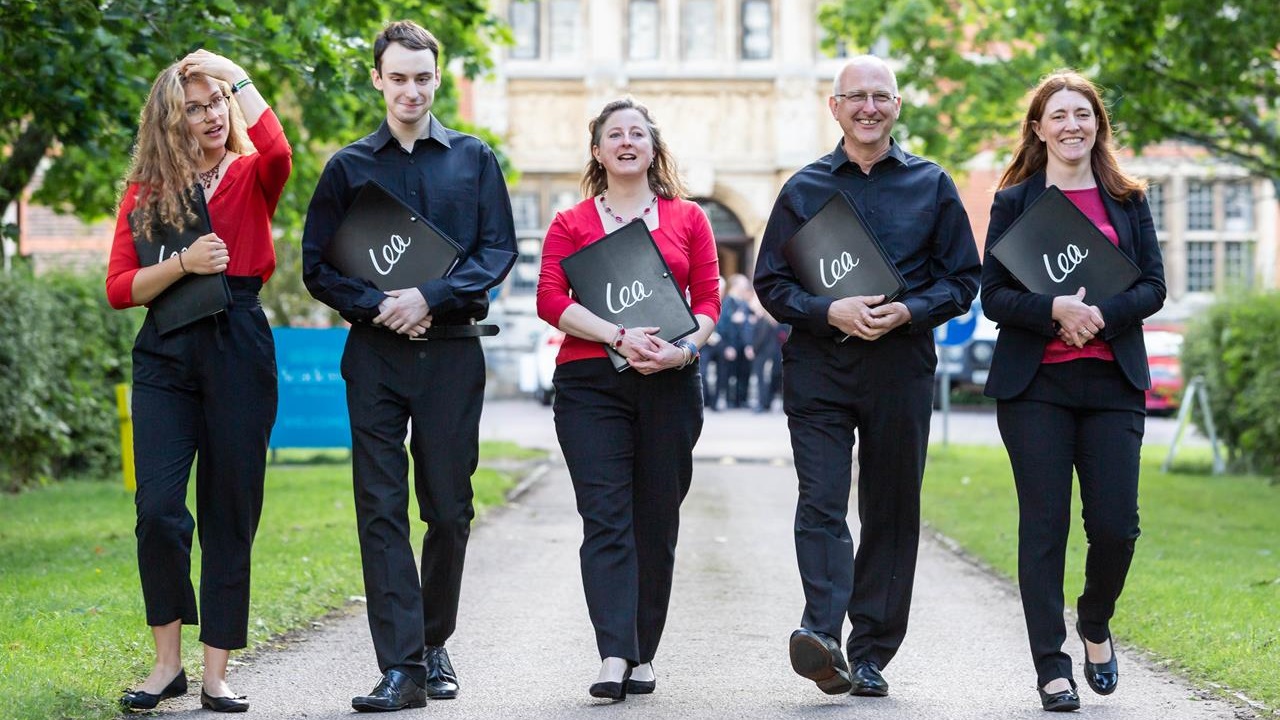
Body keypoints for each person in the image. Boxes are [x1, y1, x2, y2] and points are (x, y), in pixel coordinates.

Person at [300, 20, 517, 713]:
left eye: (423, 78)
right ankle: (401, 668)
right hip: (376, 357)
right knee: (380, 508)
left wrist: (429, 295)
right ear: (378, 80)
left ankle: (431, 639)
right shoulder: (346, 168)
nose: (411, 90)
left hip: (452, 353)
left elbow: (496, 251)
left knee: (449, 510)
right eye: (398, 77)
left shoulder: (474, 159)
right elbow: (316, 267)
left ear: (436, 79)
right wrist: (380, 306)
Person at [753, 55, 980, 699]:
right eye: (856, 96)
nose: (869, 107)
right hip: (820, 368)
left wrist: (909, 311)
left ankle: (873, 650)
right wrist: (830, 310)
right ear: (835, 108)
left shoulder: (932, 185)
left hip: (900, 369)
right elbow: (771, 282)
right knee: (821, 500)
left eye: (881, 96)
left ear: (898, 106)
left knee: (891, 507)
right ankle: (822, 633)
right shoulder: (803, 189)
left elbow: (963, 278)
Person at [107, 49, 291, 713]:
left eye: (219, 103)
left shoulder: (250, 176)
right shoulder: (148, 194)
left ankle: (214, 673)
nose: (213, 115)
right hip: (164, 351)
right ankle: (165, 667)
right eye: (196, 106)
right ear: (170, 120)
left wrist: (232, 70)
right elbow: (119, 287)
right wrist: (184, 261)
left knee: (229, 511)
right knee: (157, 510)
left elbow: (279, 150)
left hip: (238, 343)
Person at [980, 70, 1165, 712]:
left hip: (1113, 380)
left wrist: (1101, 315)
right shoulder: (1014, 202)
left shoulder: (1128, 200)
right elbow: (995, 297)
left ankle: (1093, 621)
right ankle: (1051, 666)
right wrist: (1054, 307)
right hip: (1037, 386)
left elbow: (1153, 288)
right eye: (1057, 115)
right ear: (1039, 128)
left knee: (1117, 527)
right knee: (1045, 526)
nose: (1071, 125)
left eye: (1082, 114)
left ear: (1097, 125)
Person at [536, 97, 720, 701]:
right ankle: (614, 653)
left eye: (637, 133)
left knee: (655, 520)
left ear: (652, 147)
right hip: (590, 383)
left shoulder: (688, 218)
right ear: (597, 151)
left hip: (669, 383)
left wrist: (683, 351)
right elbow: (550, 299)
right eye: (614, 134)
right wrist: (615, 334)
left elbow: (709, 301)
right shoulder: (570, 223)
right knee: (606, 517)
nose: (625, 141)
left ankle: (644, 650)